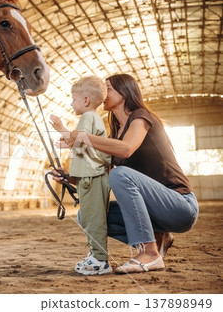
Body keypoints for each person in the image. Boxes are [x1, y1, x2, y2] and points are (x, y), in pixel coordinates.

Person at [56, 73, 199, 274]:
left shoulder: (141, 116)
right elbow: (102, 173)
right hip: (157, 214)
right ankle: (159, 236)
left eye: (109, 88)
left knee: (120, 174)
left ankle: (149, 252)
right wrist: (70, 177)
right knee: (87, 215)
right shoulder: (115, 133)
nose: (104, 93)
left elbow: (126, 149)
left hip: (180, 206)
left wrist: (82, 137)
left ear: (125, 91)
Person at [50, 76, 112, 275]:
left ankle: (100, 261)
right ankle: (95, 254)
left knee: (93, 219)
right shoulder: (93, 119)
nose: (71, 103)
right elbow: (82, 143)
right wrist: (68, 141)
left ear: (86, 101)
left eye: (73, 99)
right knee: (88, 217)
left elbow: (81, 139)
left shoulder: (87, 117)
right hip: (90, 177)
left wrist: (61, 129)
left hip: (92, 178)